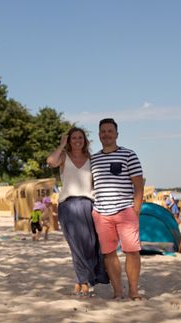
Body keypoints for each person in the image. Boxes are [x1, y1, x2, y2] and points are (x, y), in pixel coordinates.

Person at [47, 127, 109, 298]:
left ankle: (81, 279)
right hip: (68, 206)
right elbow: (50, 161)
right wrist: (61, 144)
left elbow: (98, 183)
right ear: (69, 140)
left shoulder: (92, 158)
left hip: (88, 205)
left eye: (80, 137)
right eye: (73, 138)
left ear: (85, 140)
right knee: (76, 245)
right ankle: (82, 281)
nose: (77, 140)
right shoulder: (63, 157)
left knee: (89, 244)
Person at [90, 118, 145, 301]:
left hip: (125, 211)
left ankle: (134, 291)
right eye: (103, 131)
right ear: (99, 135)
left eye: (110, 131)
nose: (106, 134)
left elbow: (138, 185)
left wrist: (135, 210)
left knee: (132, 251)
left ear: (116, 134)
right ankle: (118, 292)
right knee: (109, 253)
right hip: (102, 214)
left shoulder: (129, 155)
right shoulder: (94, 159)